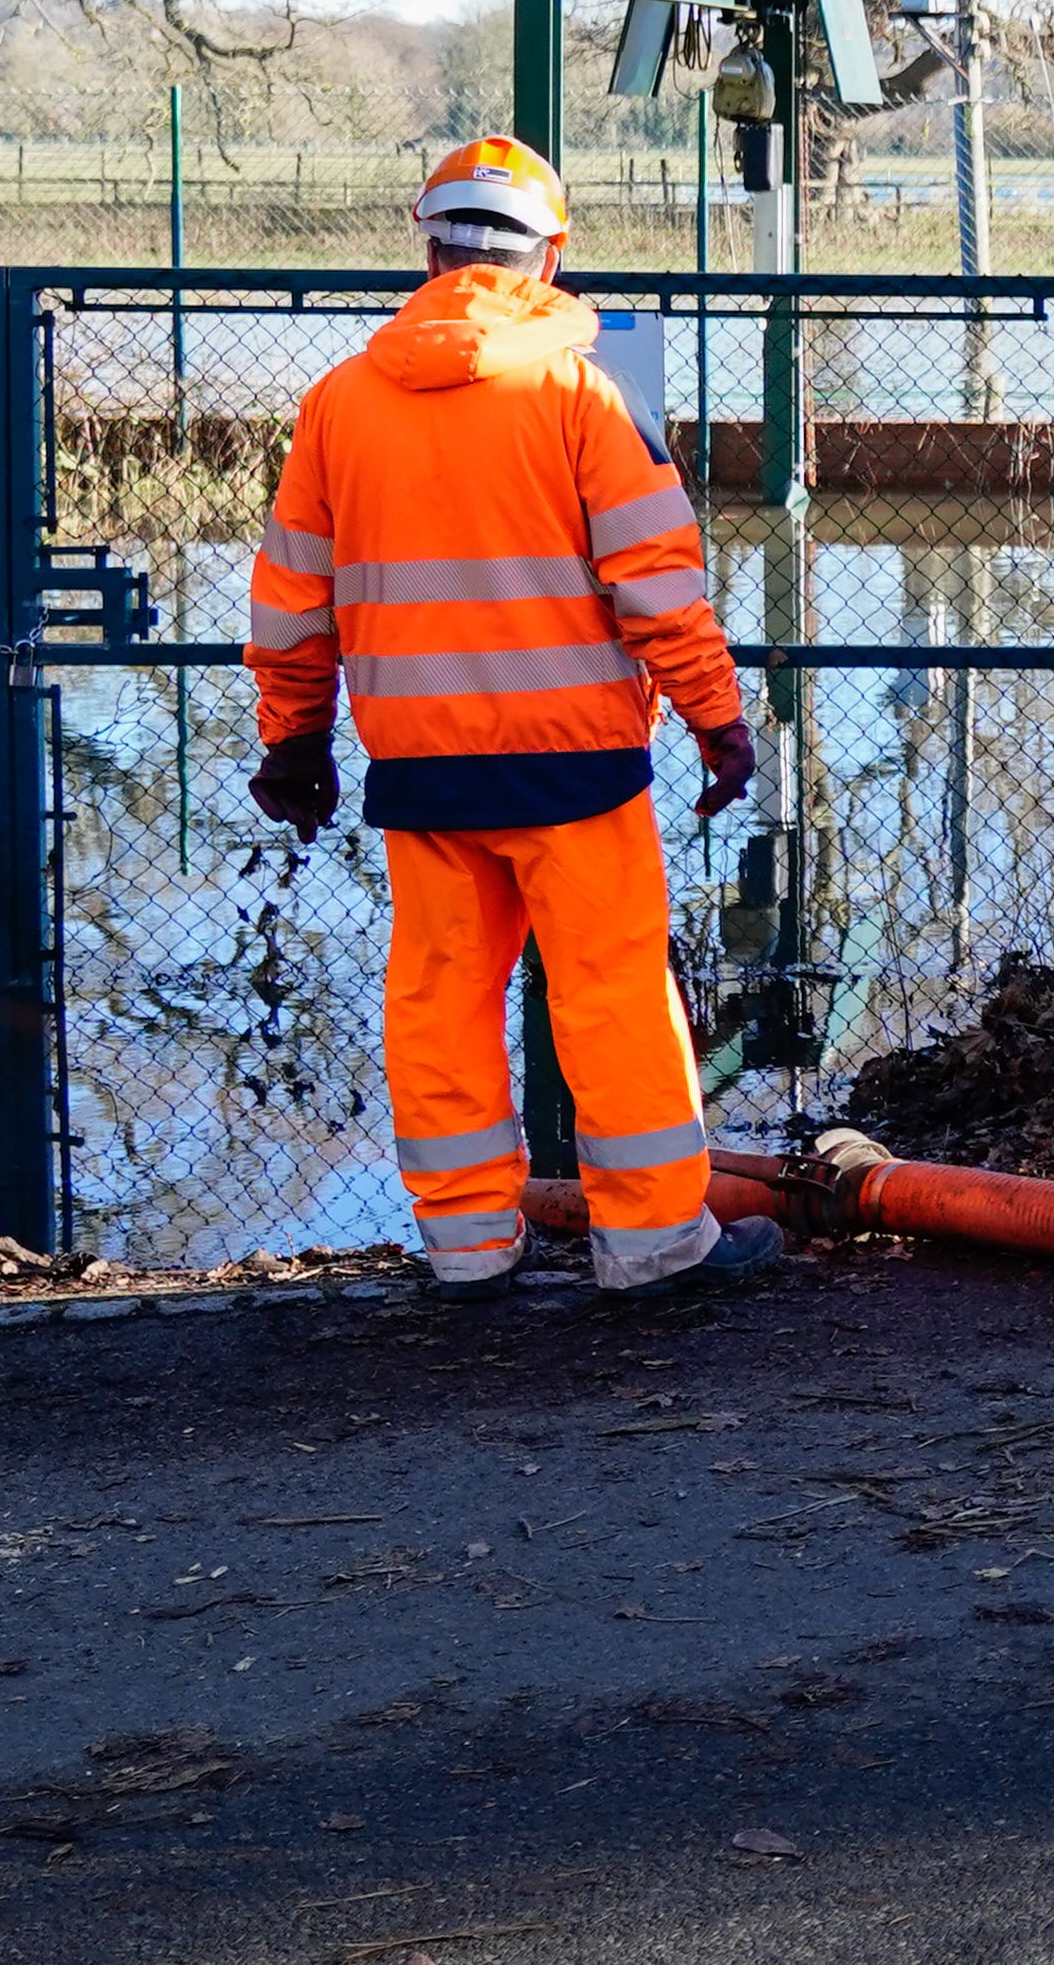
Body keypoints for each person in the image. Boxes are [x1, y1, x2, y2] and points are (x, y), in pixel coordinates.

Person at [244, 136, 781, 1293]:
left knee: (440, 999)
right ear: (549, 256)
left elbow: (292, 600)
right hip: (576, 767)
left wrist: (293, 738)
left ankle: (470, 1248)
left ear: (429, 246)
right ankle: (652, 1244)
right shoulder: (588, 388)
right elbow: (658, 584)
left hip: (423, 773)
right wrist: (715, 718)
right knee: (616, 997)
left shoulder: (339, 401)